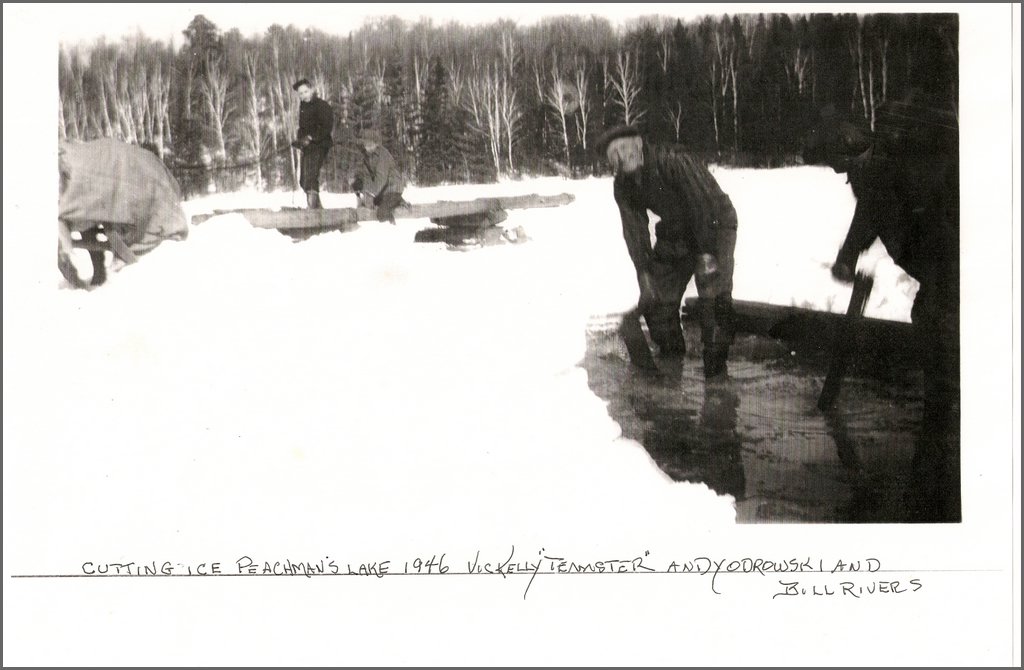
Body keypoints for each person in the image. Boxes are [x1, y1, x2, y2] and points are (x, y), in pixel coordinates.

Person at [595, 125, 739, 379]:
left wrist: (707, 253)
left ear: (639, 143)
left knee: (713, 299)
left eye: (624, 147)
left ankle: (717, 382)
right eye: (613, 153)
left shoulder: (671, 159)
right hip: (676, 229)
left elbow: (703, 203)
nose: (621, 156)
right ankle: (672, 368)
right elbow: (634, 230)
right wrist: (644, 272)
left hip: (714, 222)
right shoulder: (623, 185)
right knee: (658, 305)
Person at [291, 78, 334, 209]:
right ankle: (317, 208)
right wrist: (300, 140)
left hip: (321, 145)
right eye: (301, 93)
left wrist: (311, 137)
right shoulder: (303, 107)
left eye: (305, 91)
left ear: (312, 90)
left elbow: (327, 127)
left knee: (310, 176)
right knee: (303, 180)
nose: (303, 95)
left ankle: (313, 208)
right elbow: (302, 128)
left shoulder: (321, 105)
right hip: (308, 147)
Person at [352, 129, 405, 223]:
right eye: (366, 145)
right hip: (382, 191)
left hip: (392, 189)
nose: (368, 147)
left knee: (381, 214)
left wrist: (364, 187)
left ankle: (394, 225)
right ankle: (395, 203)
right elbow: (367, 178)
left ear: (376, 144)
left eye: (370, 144)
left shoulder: (383, 156)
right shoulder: (367, 157)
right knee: (368, 206)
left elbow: (380, 181)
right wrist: (359, 186)